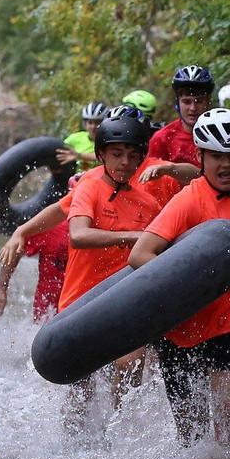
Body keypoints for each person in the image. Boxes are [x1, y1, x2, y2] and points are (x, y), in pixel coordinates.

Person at [128, 108, 230, 455]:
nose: (226, 164)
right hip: (183, 328)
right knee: (193, 436)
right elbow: (139, 255)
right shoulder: (188, 201)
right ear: (200, 156)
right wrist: (182, 290)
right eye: (216, 156)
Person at [52, 113, 164, 432]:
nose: (125, 163)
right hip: (80, 302)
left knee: (130, 363)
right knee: (82, 392)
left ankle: (118, 435)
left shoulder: (149, 203)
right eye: (117, 154)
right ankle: (71, 449)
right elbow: (78, 235)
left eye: (133, 155)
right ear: (101, 154)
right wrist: (132, 236)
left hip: (125, 302)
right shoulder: (89, 186)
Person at [0, 175, 76, 323]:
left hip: (82, 304)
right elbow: (17, 247)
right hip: (46, 309)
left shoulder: (107, 227)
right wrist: (1, 288)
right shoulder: (49, 224)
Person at [148, 65, 215, 165]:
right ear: (178, 103)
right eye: (186, 102)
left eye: (199, 101)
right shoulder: (162, 139)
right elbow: (150, 178)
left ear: (208, 102)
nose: (193, 108)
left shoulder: (222, 134)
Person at [57, 101, 109, 167]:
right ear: (85, 124)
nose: (93, 127)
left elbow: (106, 157)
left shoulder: (111, 140)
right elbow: (59, 149)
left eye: (97, 122)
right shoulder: (74, 138)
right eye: (90, 123)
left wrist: (79, 156)